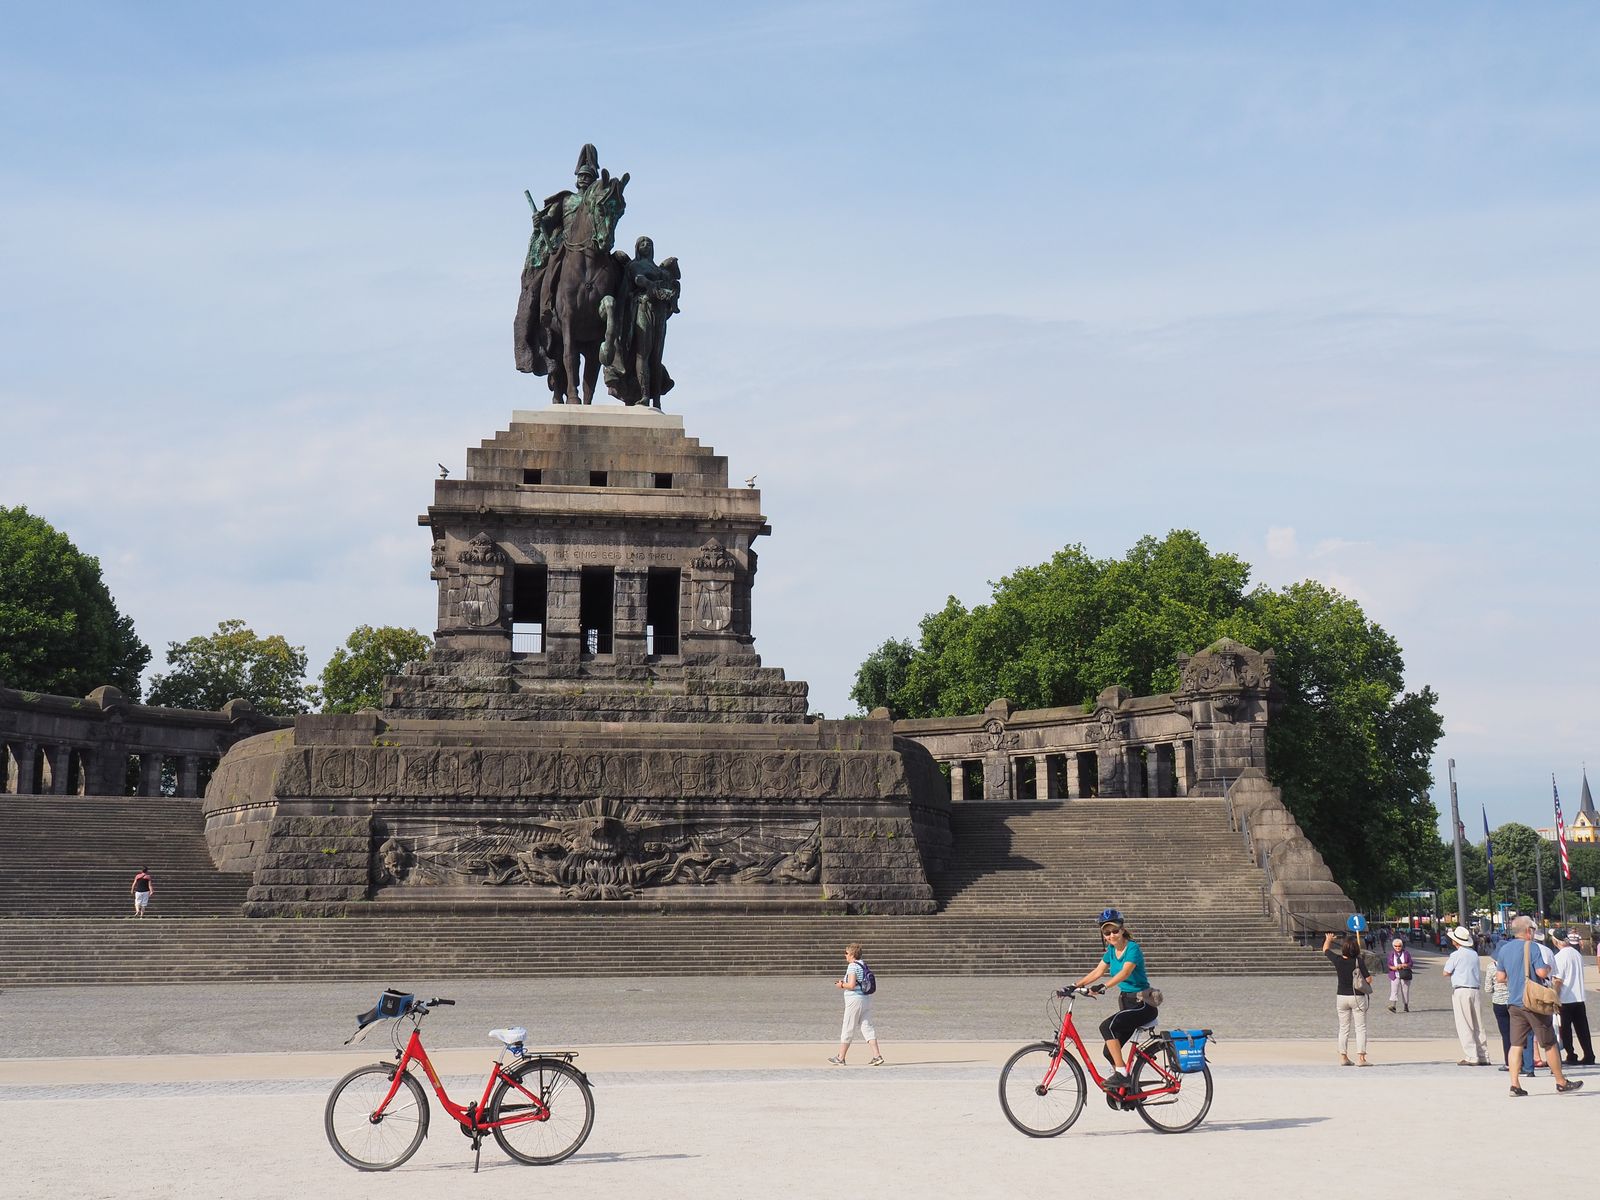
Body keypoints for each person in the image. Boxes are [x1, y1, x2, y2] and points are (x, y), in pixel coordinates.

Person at [1493, 914, 1581, 1097]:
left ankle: (1515, 1084)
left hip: (1514, 1003)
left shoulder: (1504, 950)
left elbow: (1500, 978)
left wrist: (1516, 978)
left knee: (1516, 1044)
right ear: (1527, 931)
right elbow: (1541, 972)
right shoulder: (1531, 947)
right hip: (1532, 1002)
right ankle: (1560, 1081)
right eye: (1532, 929)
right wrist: (1547, 969)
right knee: (1549, 1042)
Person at [1073, 908, 1158, 1091]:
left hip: (1143, 1004)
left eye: (1114, 931)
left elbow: (1125, 972)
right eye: (1106, 932)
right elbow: (1098, 971)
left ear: (1122, 929)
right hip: (1127, 1004)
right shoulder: (1111, 950)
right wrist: (1074, 985)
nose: (1111, 935)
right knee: (1108, 1051)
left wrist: (1104, 986)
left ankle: (1122, 1075)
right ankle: (1127, 1089)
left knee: (1106, 1027)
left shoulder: (1132, 948)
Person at [1441, 926, 1490, 1065]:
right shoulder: (1473, 954)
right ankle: (1483, 1054)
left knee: (1464, 1023)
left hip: (1461, 989)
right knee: (1478, 1023)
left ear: (1456, 942)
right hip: (1474, 989)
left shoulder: (1456, 955)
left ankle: (1471, 1056)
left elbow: (1446, 972)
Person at [1322, 931, 1372, 1066]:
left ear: (1343, 949)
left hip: (1341, 996)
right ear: (1356, 949)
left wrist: (1329, 939)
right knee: (1360, 1027)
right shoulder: (1358, 961)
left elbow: (1325, 950)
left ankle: (1343, 1057)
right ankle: (1361, 1058)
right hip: (1357, 997)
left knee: (1343, 1028)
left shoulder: (1337, 960)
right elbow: (1368, 979)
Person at [829, 943, 883, 1066]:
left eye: (846, 953)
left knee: (848, 1027)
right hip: (866, 999)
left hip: (854, 1000)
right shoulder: (863, 964)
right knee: (867, 1027)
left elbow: (852, 985)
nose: (845, 955)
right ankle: (877, 1055)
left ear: (852, 955)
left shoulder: (852, 966)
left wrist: (841, 985)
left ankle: (841, 1057)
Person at [1554, 931, 1594, 1065]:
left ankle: (1571, 1054)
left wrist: (1554, 995)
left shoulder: (1559, 957)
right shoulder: (1576, 953)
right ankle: (1589, 1053)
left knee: (1565, 1029)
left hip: (1565, 998)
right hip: (1579, 996)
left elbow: (1558, 980)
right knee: (1582, 1028)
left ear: (1556, 941)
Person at [1387, 937, 1414, 1012]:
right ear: (1393, 946)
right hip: (1394, 974)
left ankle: (1406, 1005)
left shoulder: (1406, 953)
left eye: (1399, 946)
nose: (1397, 947)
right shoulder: (1391, 954)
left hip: (1405, 974)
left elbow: (1411, 963)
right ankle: (1393, 1006)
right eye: (1396, 946)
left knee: (1405, 990)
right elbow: (1389, 964)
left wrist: (1404, 965)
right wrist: (1393, 967)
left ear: (1402, 946)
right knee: (1394, 990)